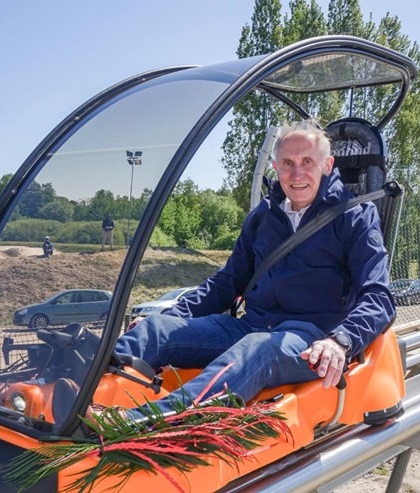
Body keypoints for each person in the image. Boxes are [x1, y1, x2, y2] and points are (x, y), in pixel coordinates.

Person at [109, 121, 395, 421]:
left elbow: (379, 298)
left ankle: (146, 424)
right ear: (275, 167)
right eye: (288, 163)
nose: (297, 173)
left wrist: (341, 341)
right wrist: (170, 316)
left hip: (310, 338)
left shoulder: (355, 216)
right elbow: (227, 281)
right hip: (252, 326)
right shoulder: (263, 217)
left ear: (327, 165)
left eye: (307, 162)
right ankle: (78, 396)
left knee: (256, 349)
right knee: (155, 329)